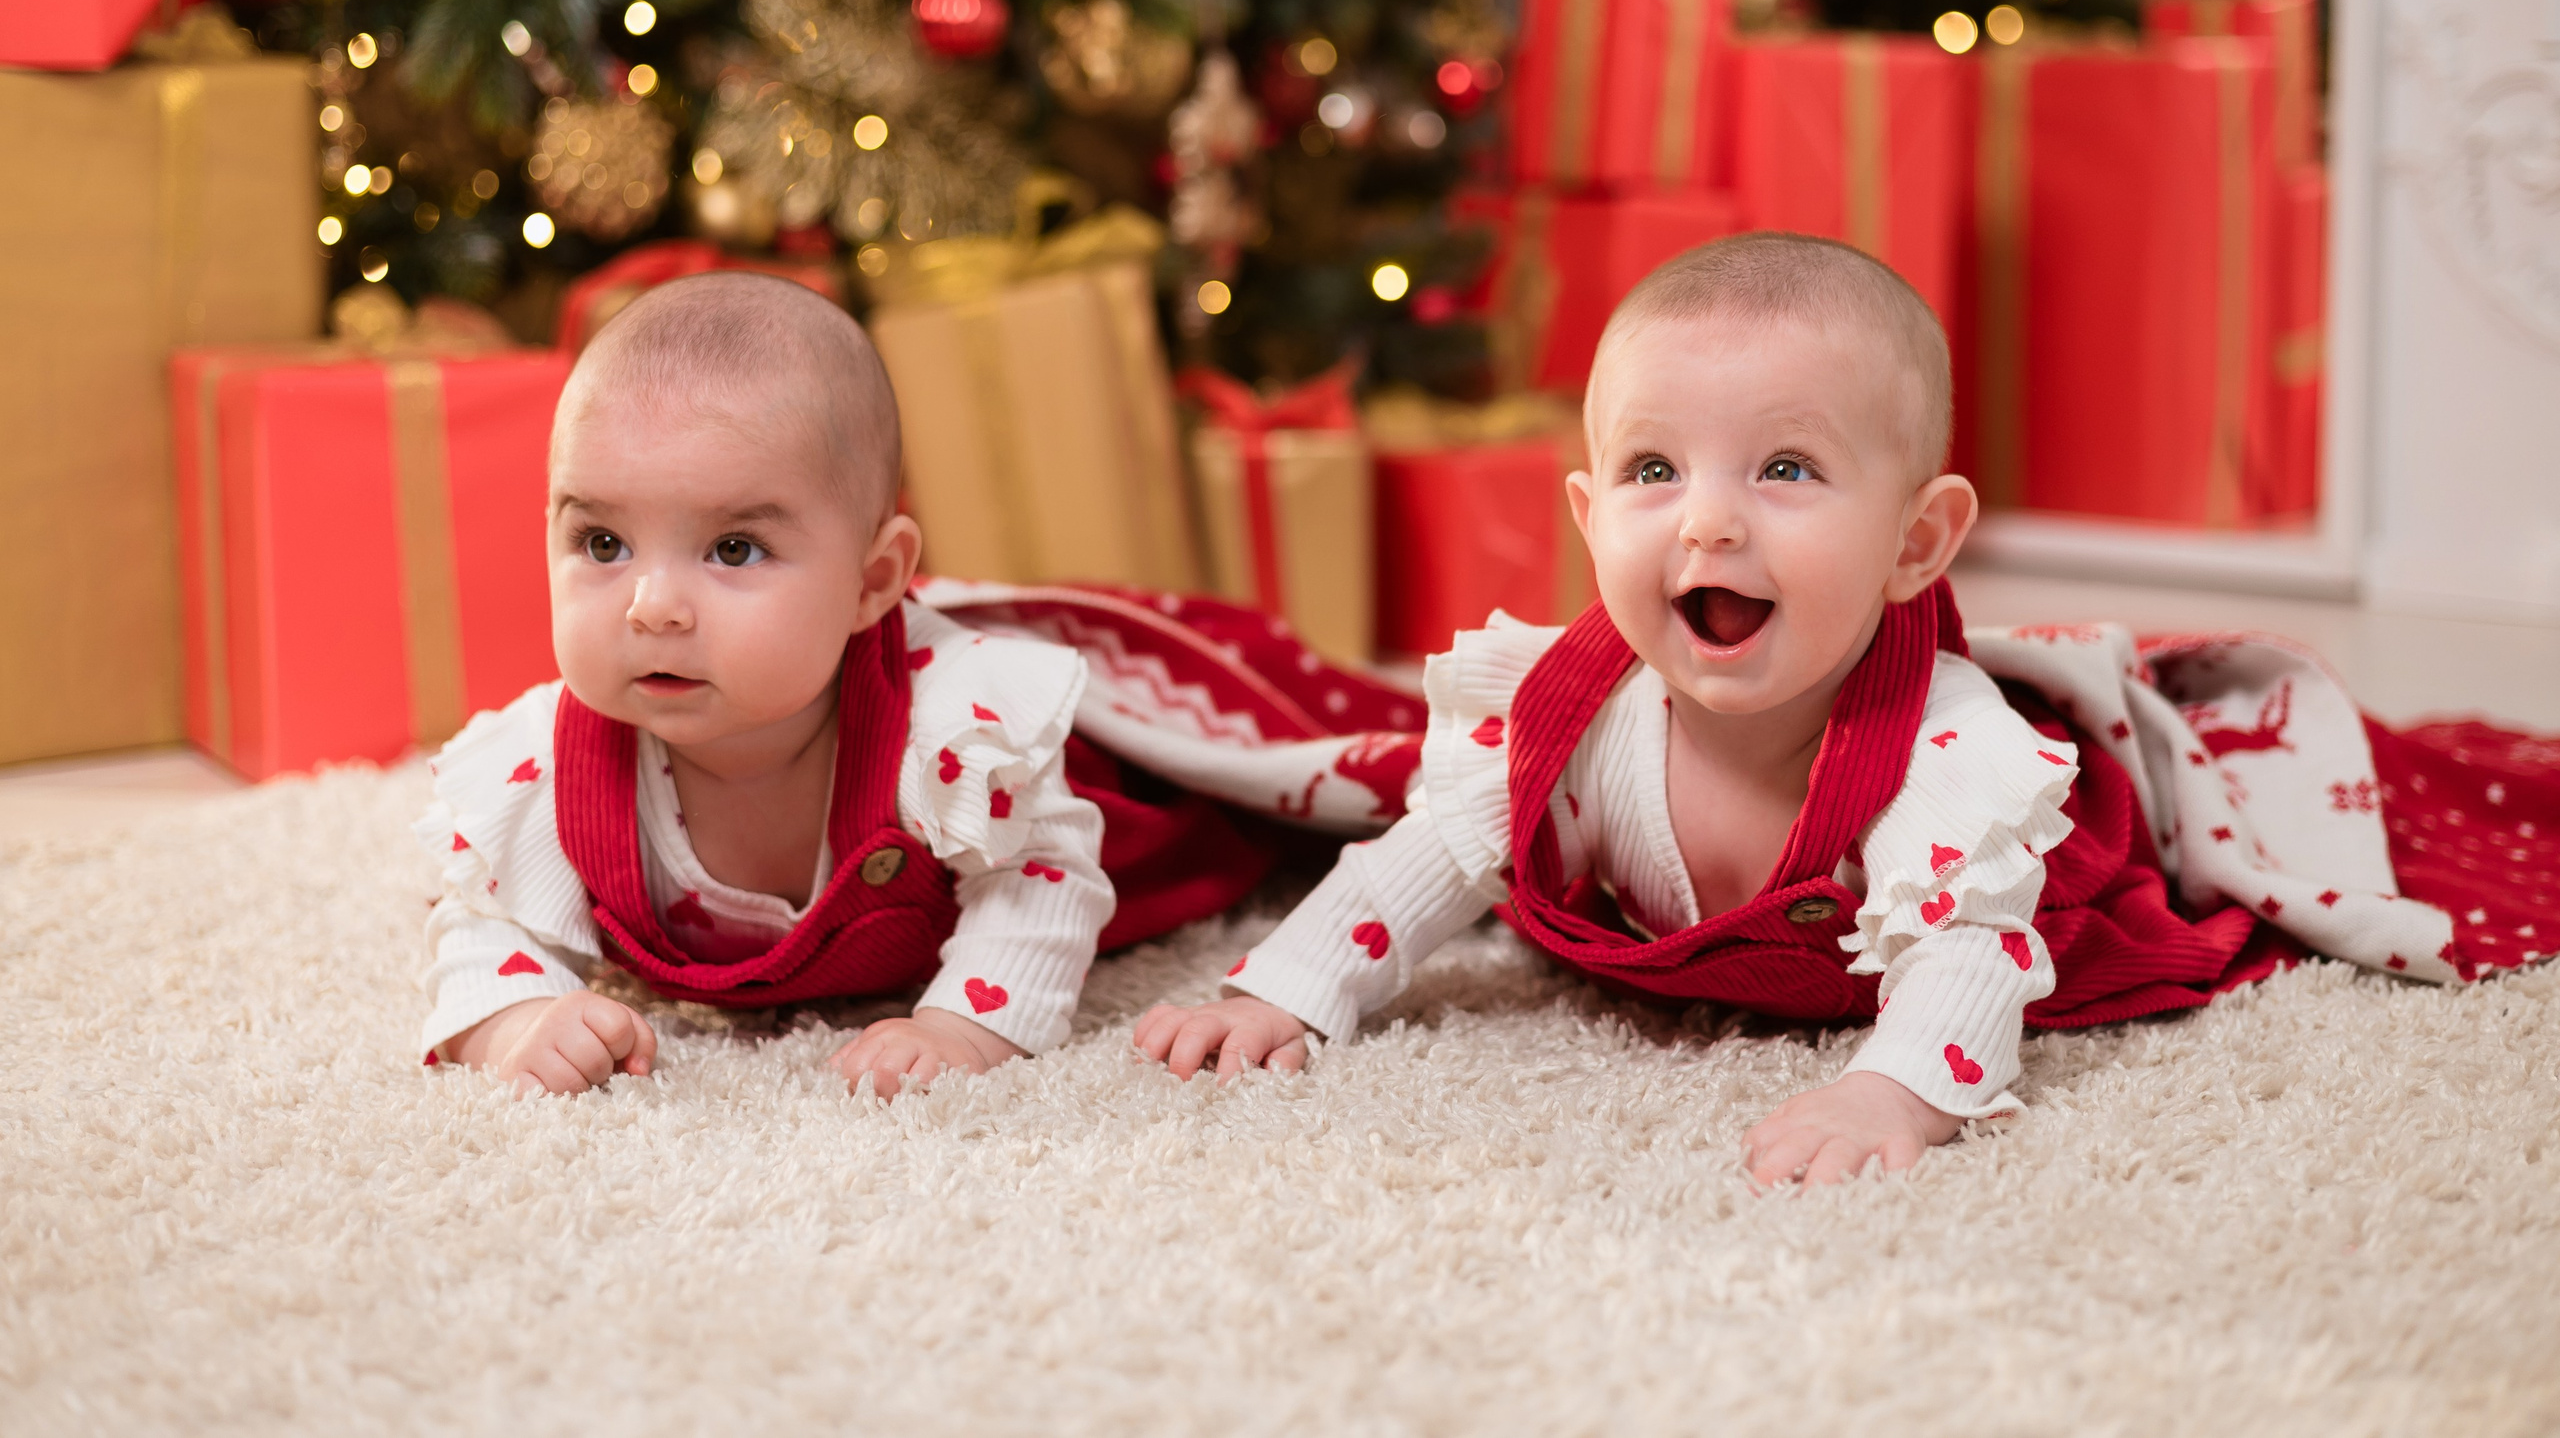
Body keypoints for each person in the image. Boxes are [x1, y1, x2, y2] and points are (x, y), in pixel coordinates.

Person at [1134, 232, 2560, 1187]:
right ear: (1585, 514)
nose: (1706, 523)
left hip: (2068, 856)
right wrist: (1287, 989)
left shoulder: (1948, 750)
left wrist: (1892, 1093)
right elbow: (1431, 859)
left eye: (1787, 471)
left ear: (1916, 542)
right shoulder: (1573, 715)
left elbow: (1971, 955)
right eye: (1650, 471)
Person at [421, 274, 1200, 1097]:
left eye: (733, 549)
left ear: (873, 581)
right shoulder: (549, 762)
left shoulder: (944, 725)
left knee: (1196, 824)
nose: (652, 607)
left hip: (1139, 833)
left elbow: (1044, 872)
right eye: (603, 542)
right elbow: (478, 912)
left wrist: (961, 1030)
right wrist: (516, 1021)